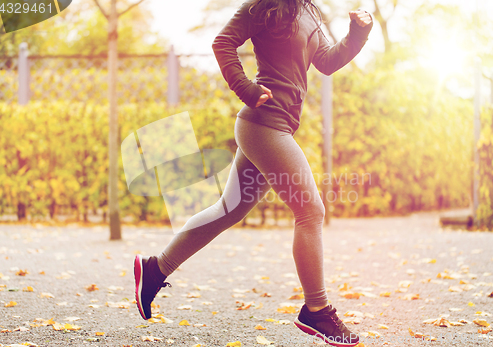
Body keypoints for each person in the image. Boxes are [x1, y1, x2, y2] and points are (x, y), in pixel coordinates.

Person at [135, 1, 373, 346]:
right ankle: (317, 310)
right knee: (310, 211)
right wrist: (246, 88)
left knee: (228, 211)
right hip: (264, 125)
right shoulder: (266, 6)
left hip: (276, 128)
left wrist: (358, 32)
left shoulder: (309, 11)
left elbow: (327, 62)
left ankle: (155, 269)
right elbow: (222, 42)